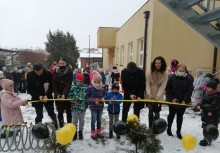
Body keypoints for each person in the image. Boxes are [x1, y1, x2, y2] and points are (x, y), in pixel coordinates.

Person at [166, 64, 193, 139]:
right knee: (171, 115)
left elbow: (189, 90)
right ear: (177, 70)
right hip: (173, 101)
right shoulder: (172, 77)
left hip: (183, 101)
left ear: (185, 71)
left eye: (182, 71)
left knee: (180, 117)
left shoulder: (188, 79)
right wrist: (172, 98)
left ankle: (178, 131)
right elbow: (168, 89)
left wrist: (185, 100)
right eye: (179, 70)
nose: (181, 72)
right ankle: (169, 129)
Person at [27, 63, 58, 129]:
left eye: (40, 71)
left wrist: (46, 95)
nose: (38, 73)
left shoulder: (48, 74)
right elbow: (29, 89)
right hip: (36, 97)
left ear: (42, 69)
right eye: (36, 72)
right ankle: (37, 128)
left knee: (51, 113)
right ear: (34, 70)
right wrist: (38, 96)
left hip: (47, 97)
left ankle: (56, 125)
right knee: (39, 115)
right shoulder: (30, 75)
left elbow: (52, 86)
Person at [146, 56, 168, 128]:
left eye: (159, 63)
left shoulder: (165, 73)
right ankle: (150, 127)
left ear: (162, 64)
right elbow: (147, 83)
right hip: (150, 93)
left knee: (157, 111)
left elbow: (163, 86)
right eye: (156, 63)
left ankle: (156, 127)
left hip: (159, 93)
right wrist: (149, 93)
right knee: (150, 110)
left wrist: (158, 95)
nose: (157, 64)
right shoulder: (150, 71)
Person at [197, 79, 220, 146]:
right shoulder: (208, 93)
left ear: (213, 88)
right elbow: (203, 101)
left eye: (209, 87)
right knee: (206, 127)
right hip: (206, 114)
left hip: (213, 115)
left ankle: (208, 140)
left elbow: (213, 106)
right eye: (207, 87)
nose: (207, 88)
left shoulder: (217, 96)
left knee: (210, 128)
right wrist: (199, 104)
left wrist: (202, 107)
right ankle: (206, 139)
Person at [85, 70, 107, 140]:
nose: (99, 82)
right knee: (94, 119)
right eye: (98, 81)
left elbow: (105, 93)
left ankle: (99, 131)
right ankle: (93, 132)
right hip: (93, 106)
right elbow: (86, 96)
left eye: (100, 81)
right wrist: (94, 100)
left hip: (100, 106)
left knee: (99, 120)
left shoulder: (103, 86)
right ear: (94, 80)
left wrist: (103, 98)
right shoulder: (90, 87)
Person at [53, 57, 73, 128]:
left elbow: (69, 84)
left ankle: (69, 126)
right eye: (60, 63)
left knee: (68, 111)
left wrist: (64, 94)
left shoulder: (69, 71)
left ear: (66, 63)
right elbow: (54, 83)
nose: (61, 65)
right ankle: (61, 126)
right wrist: (57, 94)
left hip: (67, 94)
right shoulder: (55, 71)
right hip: (58, 94)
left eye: (63, 63)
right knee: (60, 112)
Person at [67, 72, 87, 140]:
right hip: (74, 108)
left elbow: (87, 98)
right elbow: (69, 97)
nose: (79, 81)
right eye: (77, 80)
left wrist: (85, 105)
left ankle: (80, 132)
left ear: (82, 80)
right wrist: (73, 100)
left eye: (80, 80)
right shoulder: (72, 88)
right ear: (75, 80)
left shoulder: (85, 88)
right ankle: (74, 133)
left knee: (82, 121)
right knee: (74, 121)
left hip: (82, 108)